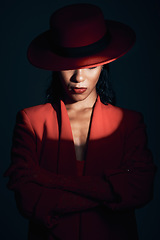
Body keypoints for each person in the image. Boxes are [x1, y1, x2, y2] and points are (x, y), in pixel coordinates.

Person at [5, 3, 156, 240]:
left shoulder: (129, 123)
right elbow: (28, 200)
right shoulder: (31, 121)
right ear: (55, 65)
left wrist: (52, 181)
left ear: (105, 63)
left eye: (91, 66)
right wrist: (109, 194)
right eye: (69, 66)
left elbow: (141, 189)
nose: (78, 77)